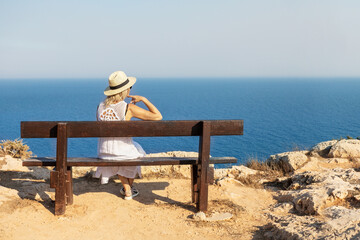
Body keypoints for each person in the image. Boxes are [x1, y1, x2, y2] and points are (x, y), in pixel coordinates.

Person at [94, 70, 162, 200]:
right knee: (137, 153)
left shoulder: (100, 107)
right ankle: (128, 190)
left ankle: (127, 189)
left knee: (130, 151)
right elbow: (158, 116)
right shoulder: (128, 108)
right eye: (129, 88)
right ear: (126, 90)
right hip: (122, 153)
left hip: (104, 152)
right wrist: (144, 99)